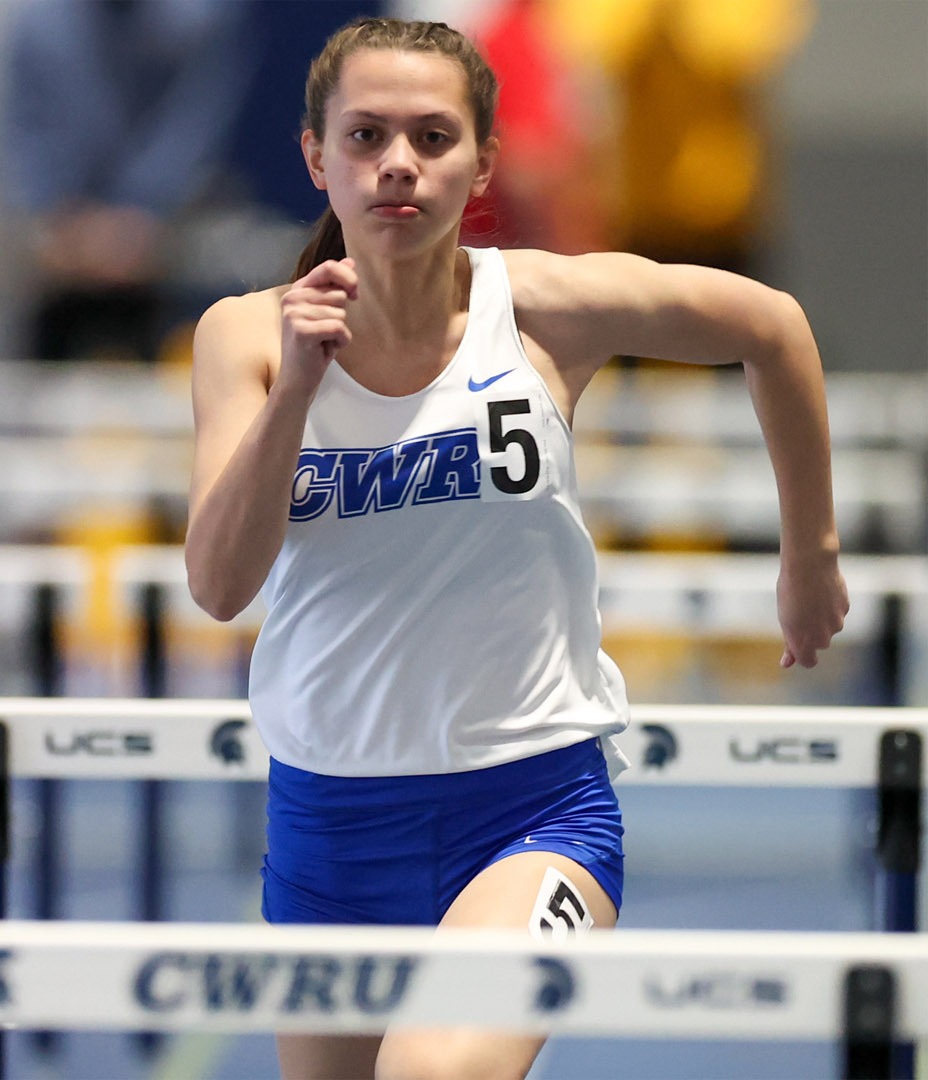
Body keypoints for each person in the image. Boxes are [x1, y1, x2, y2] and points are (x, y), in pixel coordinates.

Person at [183, 17, 846, 1080]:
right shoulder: (248, 338)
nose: (398, 163)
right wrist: (298, 395)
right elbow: (218, 586)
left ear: (482, 161)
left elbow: (770, 326)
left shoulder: (543, 309)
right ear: (316, 156)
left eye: (433, 137)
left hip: (531, 811)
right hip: (328, 830)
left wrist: (807, 551)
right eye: (365, 136)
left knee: (433, 1074)